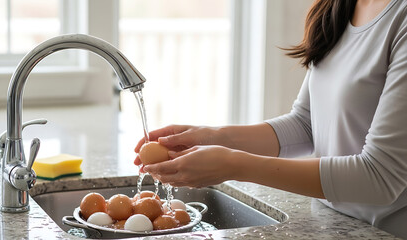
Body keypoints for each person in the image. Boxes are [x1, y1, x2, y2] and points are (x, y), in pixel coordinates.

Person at [134, 0, 407, 238]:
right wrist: (210, 137)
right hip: (330, 224)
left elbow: (381, 177)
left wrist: (233, 164)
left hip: (384, 231)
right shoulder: (339, 6)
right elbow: (306, 123)